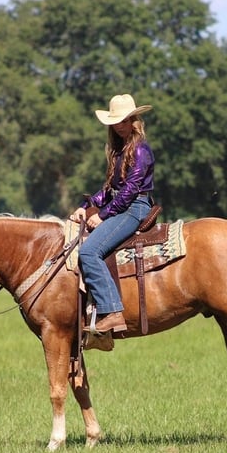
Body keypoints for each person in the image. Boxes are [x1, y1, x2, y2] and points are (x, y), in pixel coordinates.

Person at [69, 93, 155, 334]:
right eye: (115, 122)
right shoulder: (119, 151)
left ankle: (112, 310)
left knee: (89, 251)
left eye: (124, 120)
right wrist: (85, 207)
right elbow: (110, 189)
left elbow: (130, 190)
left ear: (134, 120)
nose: (119, 126)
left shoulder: (140, 151)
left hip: (135, 207)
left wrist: (103, 215)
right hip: (122, 204)